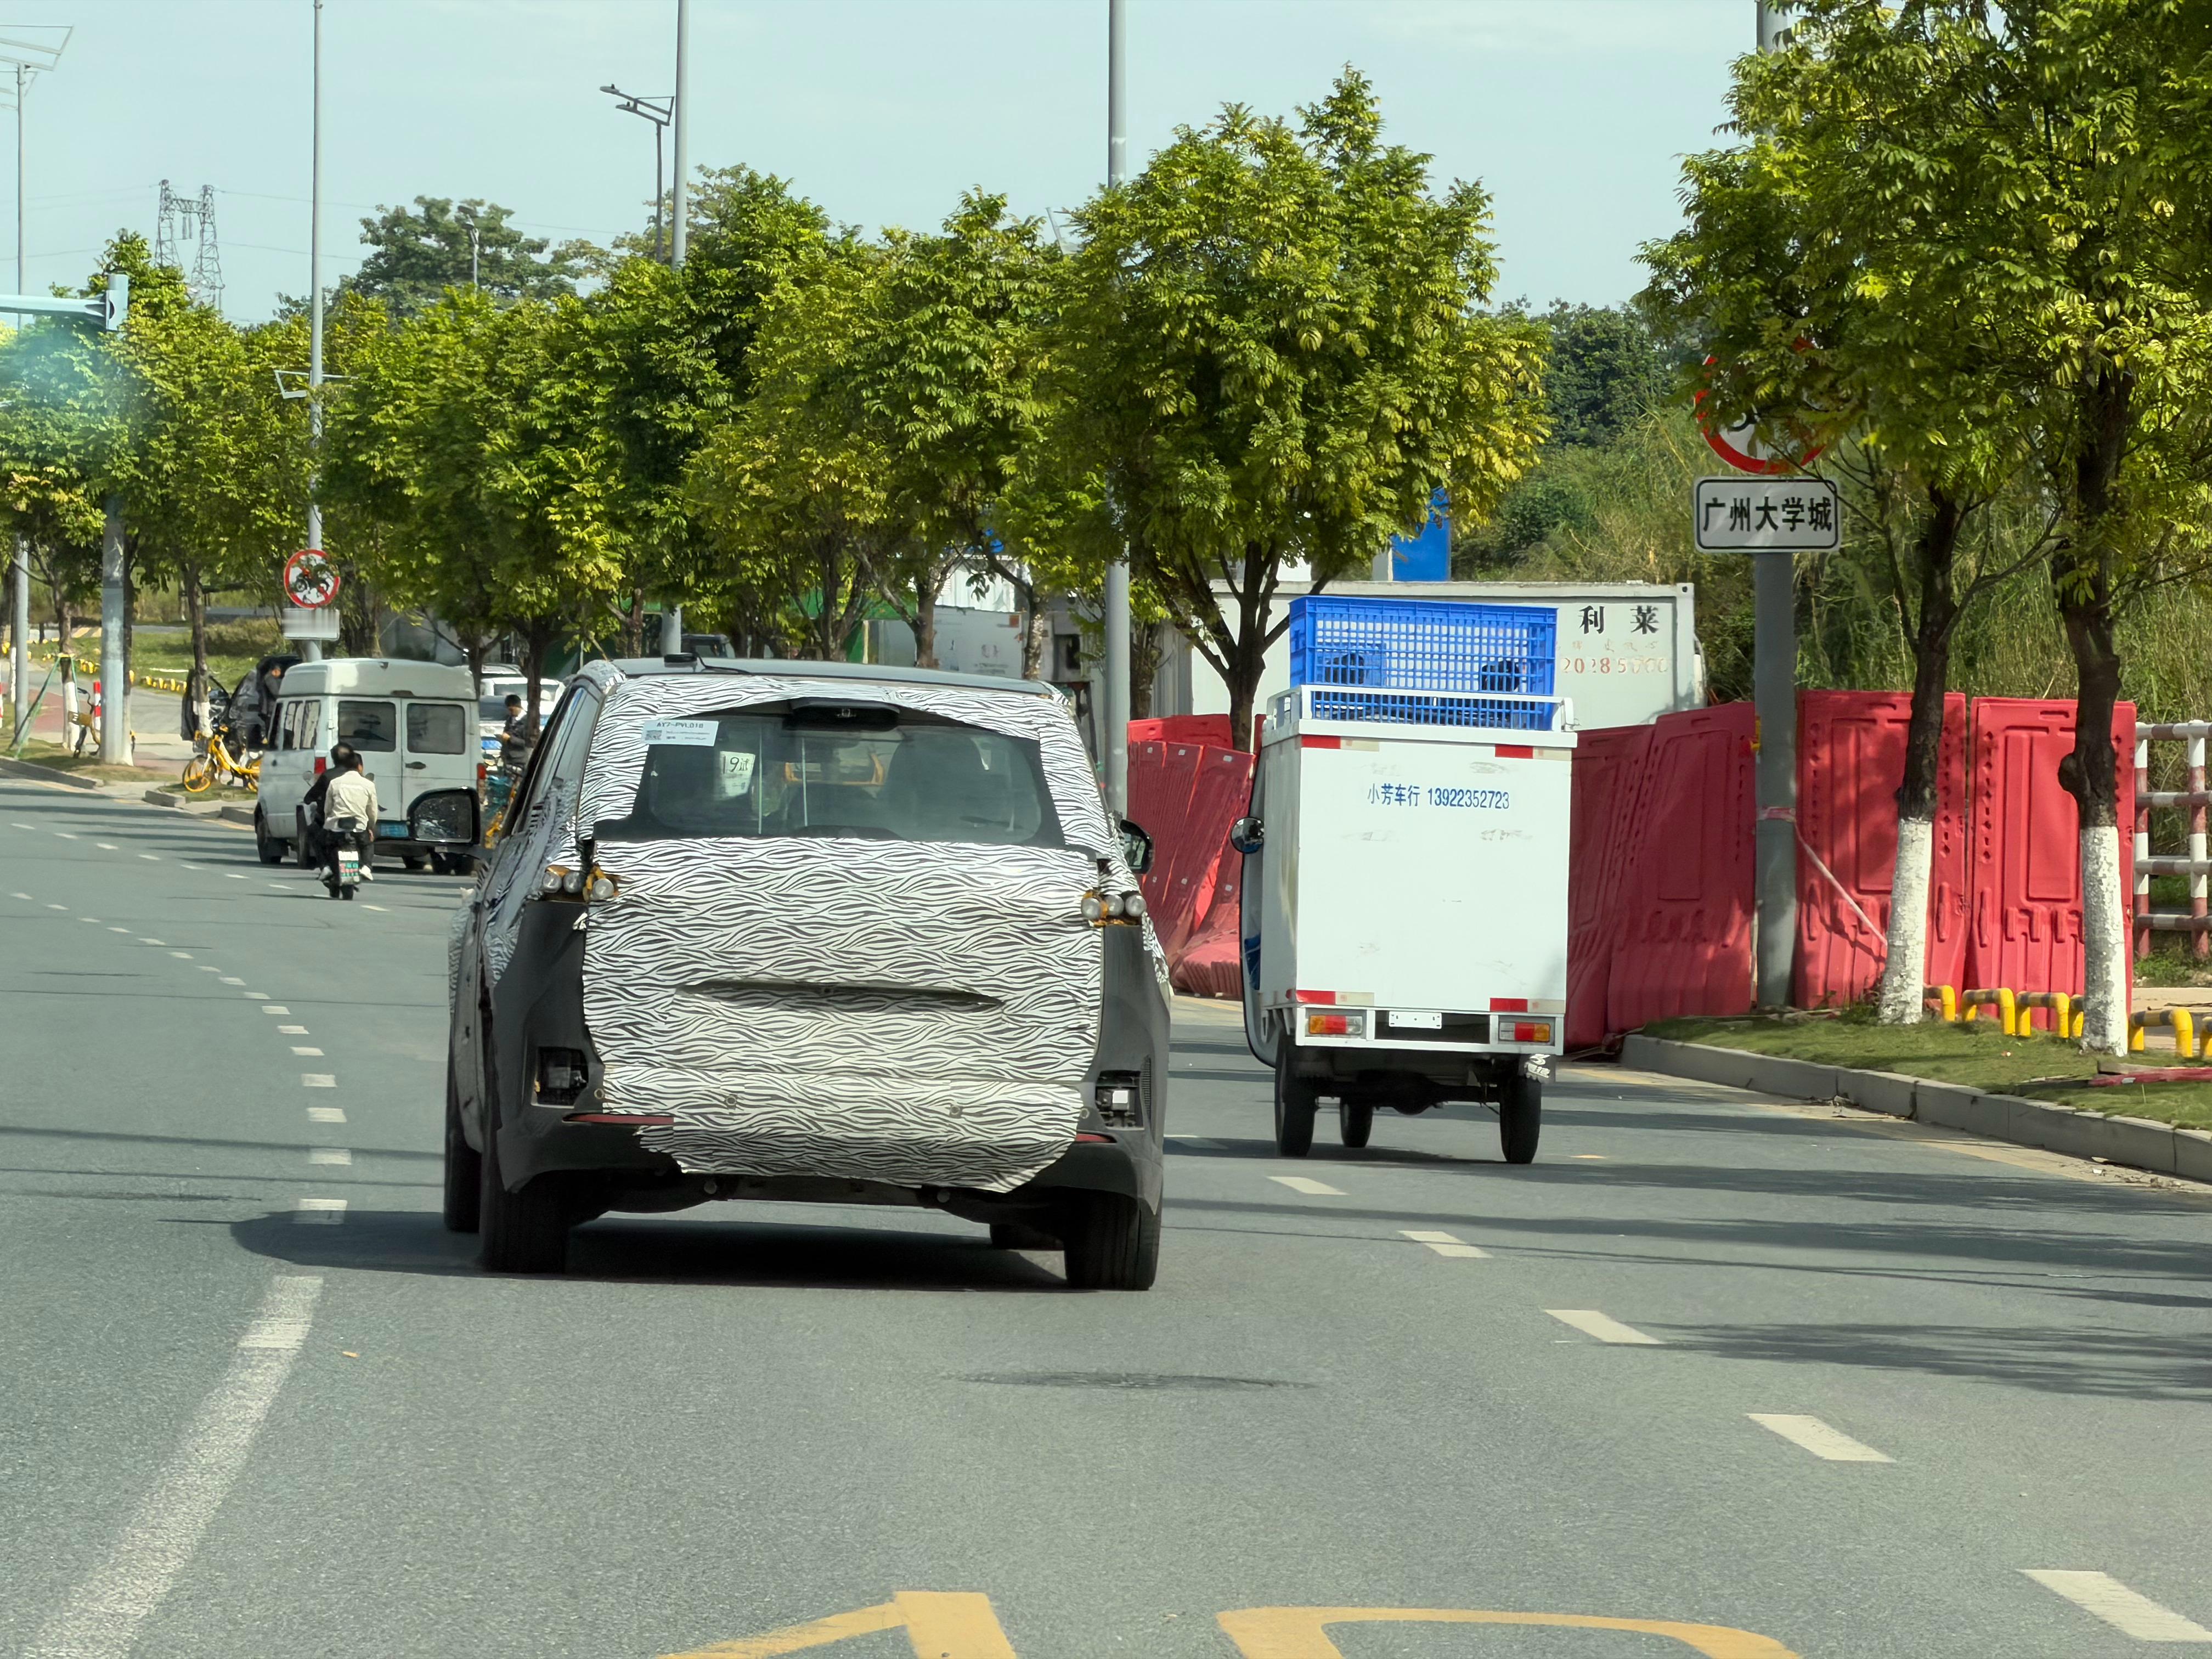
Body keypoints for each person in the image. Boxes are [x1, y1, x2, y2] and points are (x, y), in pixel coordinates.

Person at [319, 747, 379, 885]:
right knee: (368, 845)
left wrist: (327, 822)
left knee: (319, 842)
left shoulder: (335, 783)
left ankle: (326, 867)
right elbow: (373, 811)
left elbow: (328, 808)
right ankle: (366, 867)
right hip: (359, 827)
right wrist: (370, 827)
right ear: (360, 767)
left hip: (336, 827)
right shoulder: (369, 785)